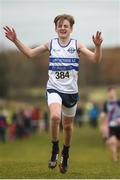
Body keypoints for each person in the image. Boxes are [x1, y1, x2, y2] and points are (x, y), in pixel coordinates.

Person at [3, 14, 103, 173]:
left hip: (71, 92)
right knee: (55, 117)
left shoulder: (77, 45)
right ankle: (55, 149)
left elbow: (95, 59)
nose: (63, 28)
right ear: (56, 28)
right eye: (60, 25)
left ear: (71, 29)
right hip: (54, 88)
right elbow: (29, 53)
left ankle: (66, 153)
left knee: (68, 127)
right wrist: (15, 40)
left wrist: (97, 47)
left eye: (66, 26)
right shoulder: (51, 44)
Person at [100, 87, 120, 162]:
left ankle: (116, 152)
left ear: (115, 93)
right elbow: (104, 113)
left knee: (117, 144)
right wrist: (102, 118)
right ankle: (114, 157)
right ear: (108, 94)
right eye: (109, 92)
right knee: (112, 142)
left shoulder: (118, 102)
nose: (111, 93)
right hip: (111, 126)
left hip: (119, 125)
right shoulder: (106, 103)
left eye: (112, 92)